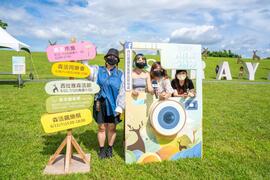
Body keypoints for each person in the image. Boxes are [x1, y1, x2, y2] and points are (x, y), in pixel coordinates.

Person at [83, 48, 125, 159]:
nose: (112, 58)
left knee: (112, 128)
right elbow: (86, 72)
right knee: (101, 127)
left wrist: (121, 106)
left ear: (117, 60)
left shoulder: (121, 74)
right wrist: (84, 59)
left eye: (115, 57)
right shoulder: (97, 70)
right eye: (110, 56)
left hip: (114, 105)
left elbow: (123, 91)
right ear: (106, 58)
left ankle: (109, 148)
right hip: (100, 104)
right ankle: (102, 149)